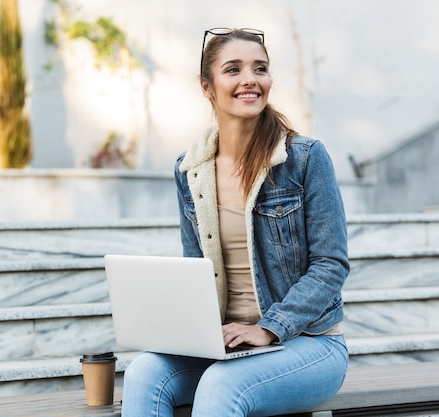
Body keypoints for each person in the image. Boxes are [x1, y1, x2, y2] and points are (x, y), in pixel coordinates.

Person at [121, 27, 349, 417]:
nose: (250, 80)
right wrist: (188, 332)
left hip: (308, 342)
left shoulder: (306, 158)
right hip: (227, 344)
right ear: (207, 87)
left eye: (259, 68)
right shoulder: (189, 169)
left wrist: (269, 327)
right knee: (143, 373)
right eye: (234, 69)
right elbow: (196, 268)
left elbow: (331, 265)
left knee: (222, 384)